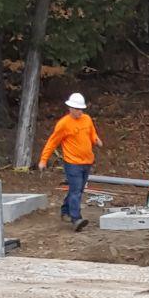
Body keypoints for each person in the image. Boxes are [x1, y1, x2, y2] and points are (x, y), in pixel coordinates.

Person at [38, 91, 102, 230]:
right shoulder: (63, 124)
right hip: (72, 163)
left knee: (77, 189)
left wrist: (96, 140)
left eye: (81, 109)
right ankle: (76, 219)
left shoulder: (87, 119)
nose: (80, 112)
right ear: (70, 108)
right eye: (77, 109)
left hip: (87, 161)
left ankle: (65, 210)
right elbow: (52, 142)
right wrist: (43, 160)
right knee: (76, 191)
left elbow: (91, 133)